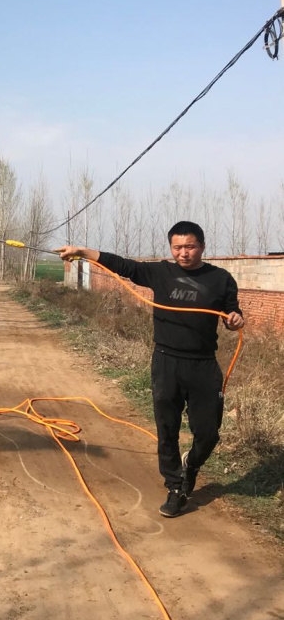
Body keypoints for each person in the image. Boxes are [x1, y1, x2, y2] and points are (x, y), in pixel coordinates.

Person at [56, 221, 244, 518]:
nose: (184, 253)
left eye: (190, 246)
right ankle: (176, 487)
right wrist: (81, 251)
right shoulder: (160, 272)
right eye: (178, 247)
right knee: (167, 428)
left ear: (203, 247)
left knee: (208, 433)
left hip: (204, 365)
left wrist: (235, 319)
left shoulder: (220, 279)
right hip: (166, 362)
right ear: (171, 248)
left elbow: (232, 313)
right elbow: (123, 265)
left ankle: (191, 464)